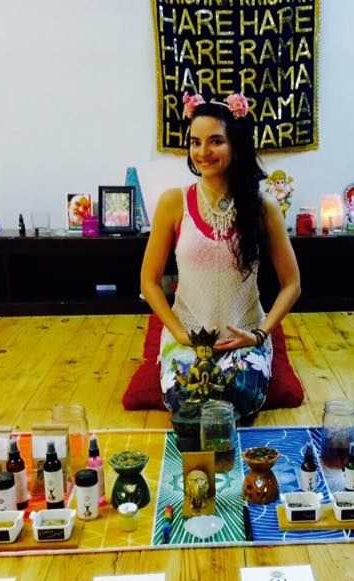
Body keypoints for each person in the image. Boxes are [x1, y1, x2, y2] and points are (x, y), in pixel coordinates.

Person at [140, 90, 301, 418]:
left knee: (236, 401)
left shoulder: (263, 207)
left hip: (243, 338)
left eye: (215, 141)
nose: (202, 152)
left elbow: (292, 284)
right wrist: (178, 332)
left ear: (237, 144)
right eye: (195, 142)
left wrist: (259, 334)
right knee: (187, 403)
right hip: (188, 338)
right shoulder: (174, 203)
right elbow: (148, 281)